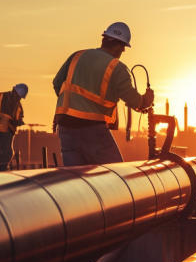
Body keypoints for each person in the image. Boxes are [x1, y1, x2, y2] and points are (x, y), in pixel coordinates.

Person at [53, 22, 154, 166]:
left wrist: (72, 106)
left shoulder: (77, 56)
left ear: (104, 39)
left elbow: (57, 83)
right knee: (114, 175)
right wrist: (147, 100)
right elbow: (134, 101)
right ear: (120, 46)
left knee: (76, 179)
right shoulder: (117, 68)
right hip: (92, 129)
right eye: (123, 48)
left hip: (65, 127)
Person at [0, 83, 27, 171]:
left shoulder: (18, 106)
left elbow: (20, 118)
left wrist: (17, 122)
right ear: (14, 92)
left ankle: (3, 169)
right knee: (5, 152)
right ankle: (2, 170)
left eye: (20, 97)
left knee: (9, 153)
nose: (18, 99)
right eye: (18, 96)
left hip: (9, 130)